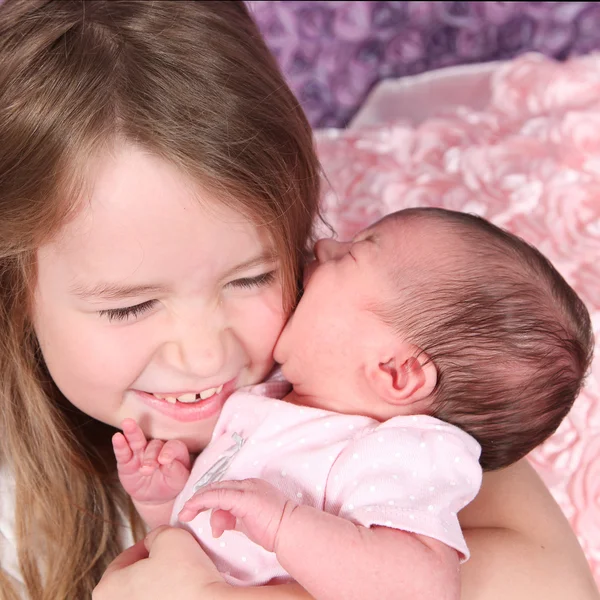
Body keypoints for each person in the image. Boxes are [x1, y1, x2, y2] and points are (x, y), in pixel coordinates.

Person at [0, 2, 596, 600]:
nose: (205, 354)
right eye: (129, 307)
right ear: (14, 289)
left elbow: (553, 584)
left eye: (252, 277)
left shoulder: (369, 378)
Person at [112, 208, 592, 600]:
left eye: (352, 255)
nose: (324, 247)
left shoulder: (404, 451)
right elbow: (203, 539)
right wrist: (161, 498)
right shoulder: (276, 405)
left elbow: (417, 589)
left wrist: (285, 525)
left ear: (396, 372)